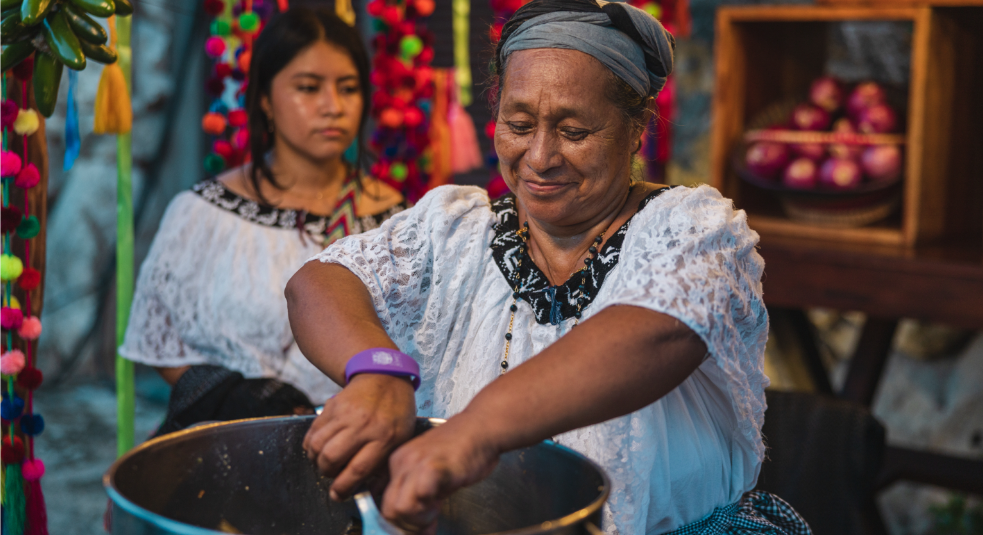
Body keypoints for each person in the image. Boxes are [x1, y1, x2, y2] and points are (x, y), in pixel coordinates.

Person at [286, 0, 811, 533]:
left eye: (574, 131)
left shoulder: (694, 230)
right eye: (518, 123)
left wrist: (474, 432)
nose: (539, 156)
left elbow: (658, 333)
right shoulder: (456, 234)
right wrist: (377, 369)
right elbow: (319, 282)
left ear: (636, 130)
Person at [119, 7, 406, 436]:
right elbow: (160, 342)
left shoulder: (396, 220)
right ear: (266, 101)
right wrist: (234, 397)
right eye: (308, 88)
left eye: (348, 88)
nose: (332, 106)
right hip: (223, 444)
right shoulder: (202, 212)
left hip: (351, 445)